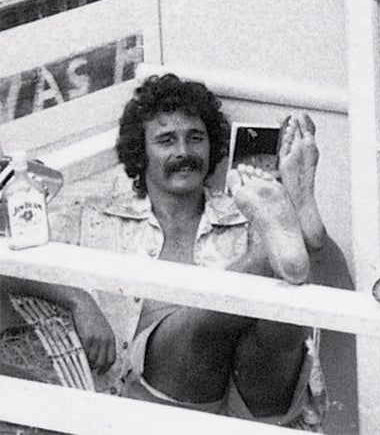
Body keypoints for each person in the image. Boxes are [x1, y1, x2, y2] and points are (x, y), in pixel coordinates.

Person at [4, 75, 351, 422]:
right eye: (166, 140)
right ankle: (293, 232)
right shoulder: (94, 216)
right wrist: (77, 298)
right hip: (153, 403)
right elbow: (7, 261)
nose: (183, 152)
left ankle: (308, 220)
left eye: (195, 138)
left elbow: (336, 286)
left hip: (254, 404)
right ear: (142, 153)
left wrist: (313, 239)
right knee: (214, 309)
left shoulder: (249, 211)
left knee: (283, 318)